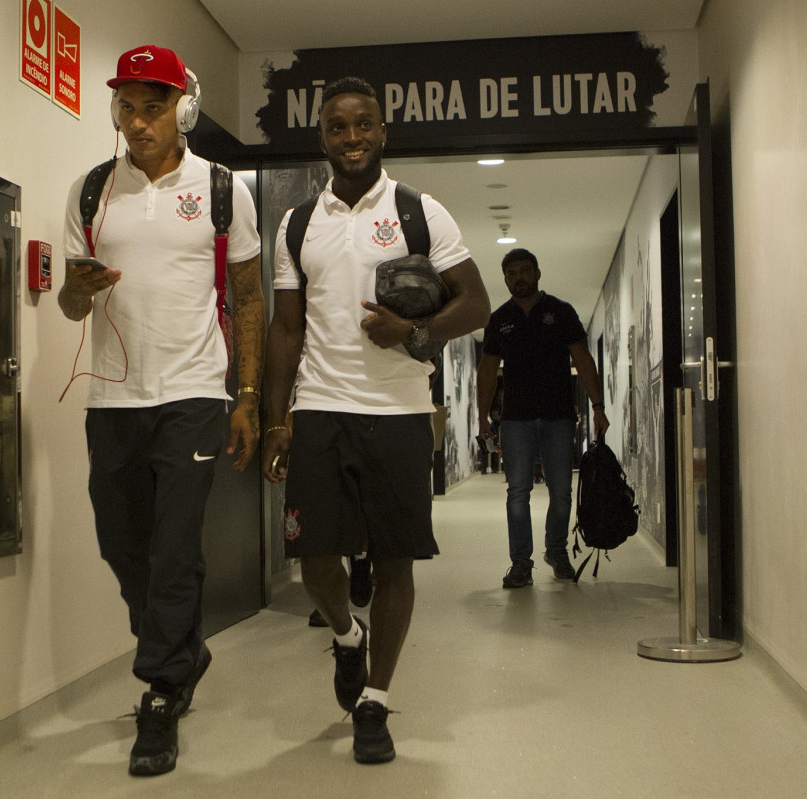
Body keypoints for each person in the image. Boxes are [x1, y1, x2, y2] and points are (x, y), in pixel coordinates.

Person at [261, 77, 490, 765]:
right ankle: (345, 635)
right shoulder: (298, 224)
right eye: (338, 126)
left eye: (364, 125)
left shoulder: (422, 213)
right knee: (312, 558)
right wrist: (276, 419)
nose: (352, 137)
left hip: (397, 412)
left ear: (383, 132)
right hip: (321, 407)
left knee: (395, 558)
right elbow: (284, 329)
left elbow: (475, 303)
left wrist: (416, 335)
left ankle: (375, 700)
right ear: (323, 137)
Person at [58, 44, 264, 778]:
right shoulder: (91, 192)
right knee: (123, 542)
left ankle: (161, 691)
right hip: (112, 392)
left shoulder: (219, 190)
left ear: (185, 108)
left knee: (176, 545)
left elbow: (247, 296)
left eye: (154, 105)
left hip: (195, 390)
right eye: (126, 105)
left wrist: (247, 397)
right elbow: (69, 301)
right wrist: (80, 289)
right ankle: (183, 648)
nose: (138, 120)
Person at [477, 248, 609, 587]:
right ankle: (521, 563)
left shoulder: (561, 312)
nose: (519, 277)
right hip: (516, 420)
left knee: (561, 490)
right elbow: (488, 370)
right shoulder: (500, 319)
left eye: (525, 270)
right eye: (512, 273)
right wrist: (482, 418)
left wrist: (598, 406)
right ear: (505, 278)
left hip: (558, 417)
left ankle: (557, 551)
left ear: (538, 273)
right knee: (518, 492)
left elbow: (583, 359)